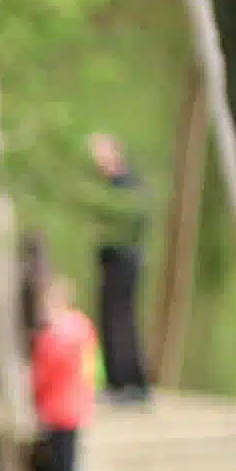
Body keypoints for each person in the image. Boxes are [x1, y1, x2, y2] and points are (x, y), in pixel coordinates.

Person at [28, 271, 99, 471]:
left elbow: (42, 377)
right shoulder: (84, 329)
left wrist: (38, 403)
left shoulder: (52, 336)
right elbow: (92, 369)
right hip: (78, 409)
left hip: (58, 411)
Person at [87, 132, 150, 400]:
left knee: (121, 321)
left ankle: (131, 384)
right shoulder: (109, 186)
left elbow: (134, 224)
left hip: (124, 260)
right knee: (108, 320)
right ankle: (115, 383)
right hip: (110, 261)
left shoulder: (129, 184)